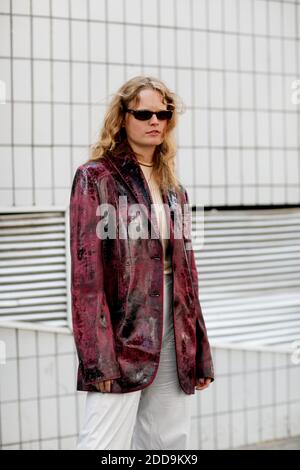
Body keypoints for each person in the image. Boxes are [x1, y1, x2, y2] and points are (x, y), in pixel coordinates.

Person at [69, 76, 214, 450]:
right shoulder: (95, 178)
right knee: (102, 442)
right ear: (122, 118)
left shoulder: (174, 188)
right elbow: (86, 278)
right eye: (144, 113)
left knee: (168, 441)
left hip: (173, 325)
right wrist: (96, 358)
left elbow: (187, 274)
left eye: (163, 114)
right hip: (122, 330)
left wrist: (199, 350)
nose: (155, 121)